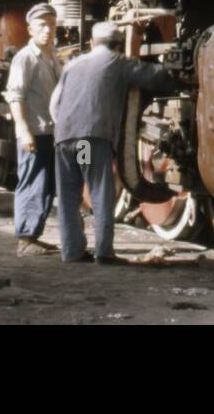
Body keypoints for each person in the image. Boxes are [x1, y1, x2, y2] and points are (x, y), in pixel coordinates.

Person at [49, 21, 175, 264]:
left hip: (64, 138)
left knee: (68, 197)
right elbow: (155, 78)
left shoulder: (72, 65)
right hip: (90, 140)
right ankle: (104, 252)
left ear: (92, 42)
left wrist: (69, 126)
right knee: (100, 193)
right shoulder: (117, 62)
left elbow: (54, 105)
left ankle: (71, 251)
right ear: (117, 45)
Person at [5, 3, 62, 256]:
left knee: (47, 185)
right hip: (34, 132)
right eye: (41, 25)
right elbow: (15, 97)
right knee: (32, 183)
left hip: (51, 132)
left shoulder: (53, 55)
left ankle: (33, 236)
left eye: (51, 24)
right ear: (30, 29)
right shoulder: (24, 58)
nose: (47, 30)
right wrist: (23, 130)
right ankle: (25, 240)